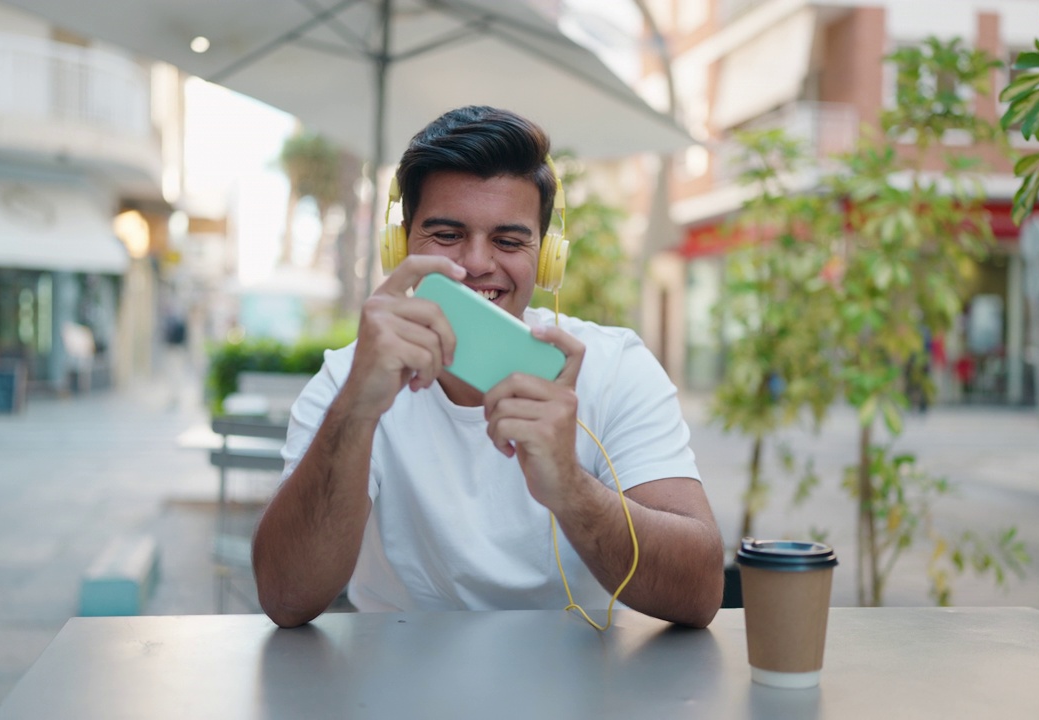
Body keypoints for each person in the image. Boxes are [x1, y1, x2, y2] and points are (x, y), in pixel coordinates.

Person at [252, 106, 725, 629]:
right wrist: (358, 410)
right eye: (448, 234)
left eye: (507, 240)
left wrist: (570, 488)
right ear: (400, 244)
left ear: (546, 259)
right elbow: (285, 596)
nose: (477, 263)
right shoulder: (348, 378)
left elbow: (700, 592)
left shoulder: (615, 368)